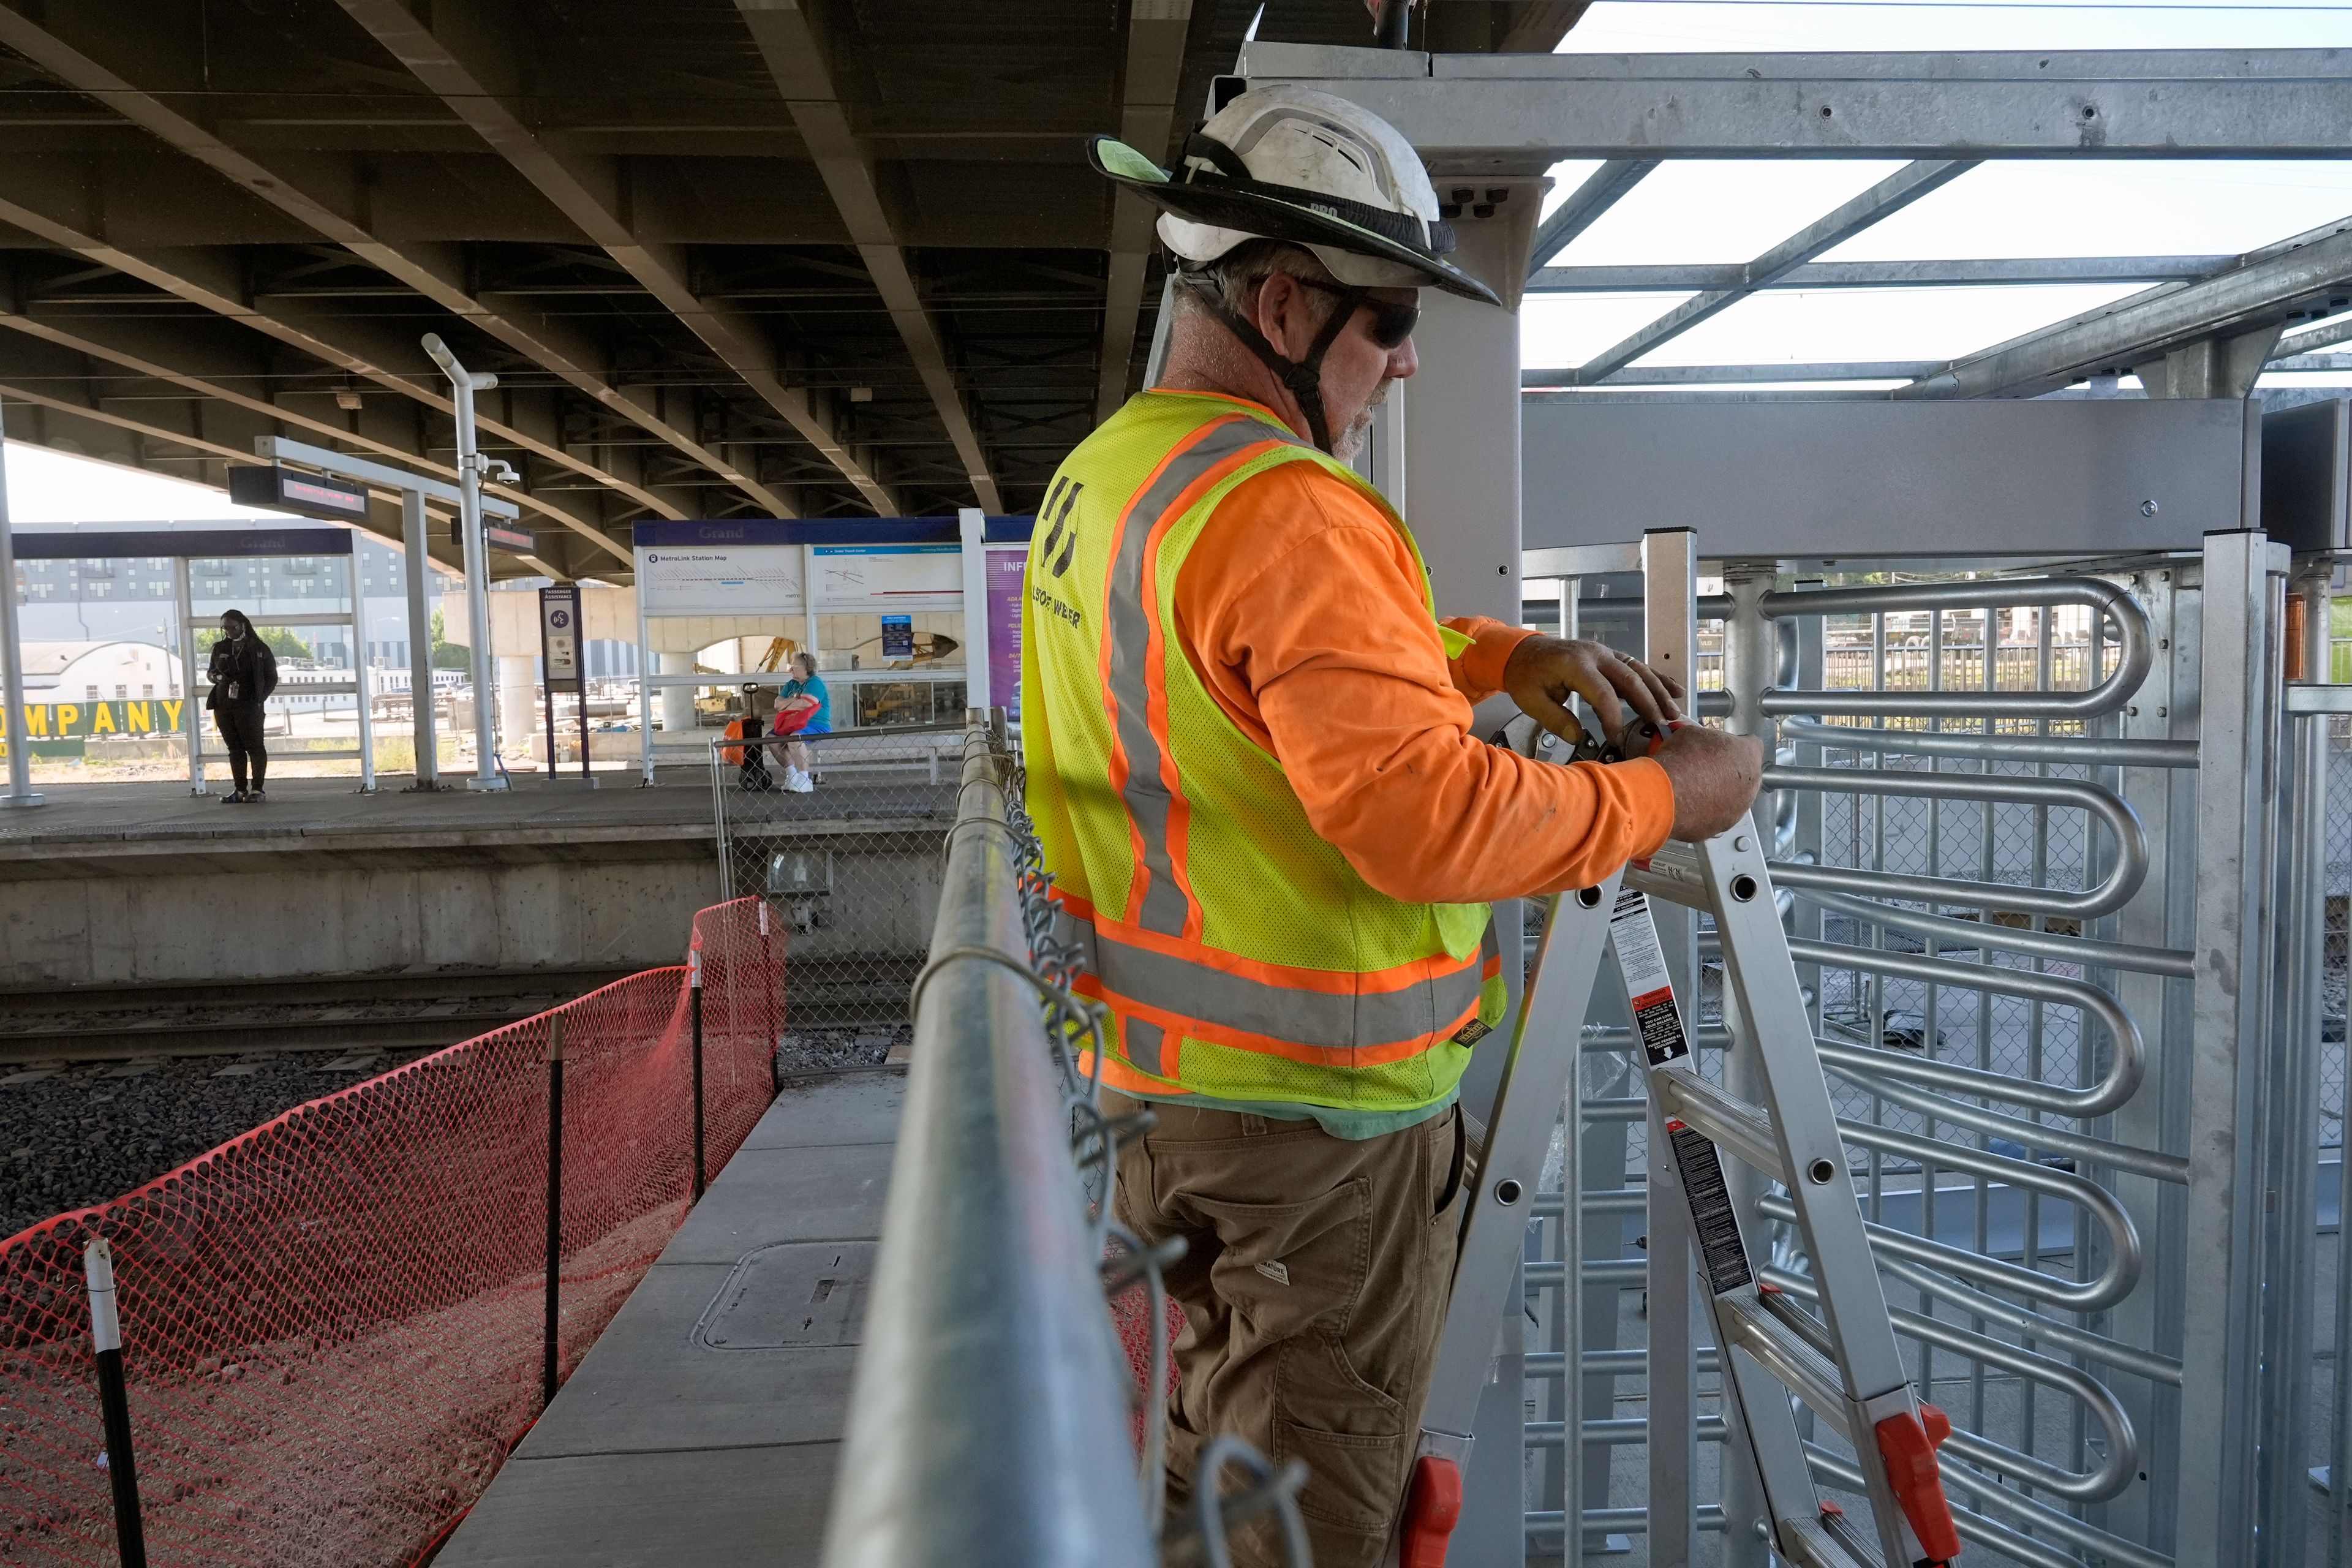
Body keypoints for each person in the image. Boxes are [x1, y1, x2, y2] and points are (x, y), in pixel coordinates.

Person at [1025, 88, 1764, 1566]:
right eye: (1381, 319)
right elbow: (1418, 816)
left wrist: (1494, 656)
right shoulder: (1288, 505)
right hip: (1316, 1130)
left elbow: (1263, 665)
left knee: (1204, 1477)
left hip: (1171, 1102)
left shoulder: (1112, 476)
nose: (1406, 352)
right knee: (1298, 1526)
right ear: (1283, 297)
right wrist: (1669, 796)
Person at [205, 609, 279, 804]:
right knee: (234, 748)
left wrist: (259, 698)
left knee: (255, 746)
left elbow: (272, 676)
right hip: (224, 704)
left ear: (243, 625)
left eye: (232, 627)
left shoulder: (258, 648)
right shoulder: (220, 648)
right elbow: (211, 672)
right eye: (225, 628)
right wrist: (215, 677)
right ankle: (239, 790)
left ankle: (257, 790)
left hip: (249, 705)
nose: (228, 631)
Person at [773, 652, 830, 794]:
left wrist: (787, 705)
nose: (791, 670)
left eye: (794, 666)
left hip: (816, 725)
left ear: (806, 668)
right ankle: (792, 775)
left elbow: (807, 703)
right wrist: (795, 700)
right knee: (772, 740)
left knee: (795, 738)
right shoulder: (791, 684)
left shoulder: (815, 682)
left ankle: (805, 779)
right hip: (792, 723)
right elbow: (777, 704)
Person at [723, 685, 774, 791]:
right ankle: (756, 769)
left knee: (751, 745)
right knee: (752, 746)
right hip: (752, 726)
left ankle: (751, 770)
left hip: (752, 726)